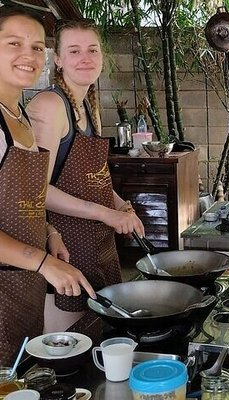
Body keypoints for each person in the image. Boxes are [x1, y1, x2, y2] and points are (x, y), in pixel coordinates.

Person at [27, 19, 145, 332]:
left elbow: (96, 176)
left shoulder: (87, 107)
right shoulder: (51, 105)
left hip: (97, 243)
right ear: (59, 59)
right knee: (68, 345)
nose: (85, 57)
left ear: (102, 58)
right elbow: (36, 191)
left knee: (97, 332)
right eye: (74, 50)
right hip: (63, 245)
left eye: (92, 50)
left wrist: (121, 206)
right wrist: (105, 213)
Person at [0, 5, 95, 365]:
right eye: (14, 43)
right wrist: (41, 262)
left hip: (21, 281)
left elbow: (19, 197)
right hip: (17, 274)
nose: (29, 55)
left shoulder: (19, 115)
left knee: (19, 371)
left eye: (37, 47)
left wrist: (48, 229)